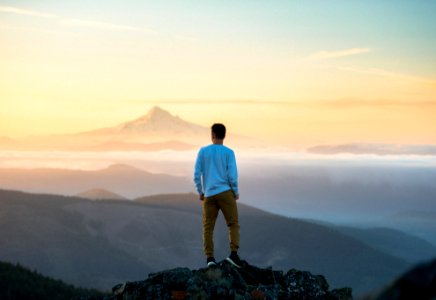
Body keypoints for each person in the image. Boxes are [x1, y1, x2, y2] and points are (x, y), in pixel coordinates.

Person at [194, 123, 242, 268]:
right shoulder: (229, 153)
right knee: (233, 224)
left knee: (208, 227)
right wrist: (235, 192)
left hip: (209, 194)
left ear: (212, 135)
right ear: (224, 135)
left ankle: (210, 259)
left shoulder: (203, 151)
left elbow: (197, 175)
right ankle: (233, 255)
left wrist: (201, 191)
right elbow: (232, 176)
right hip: (225, 192)